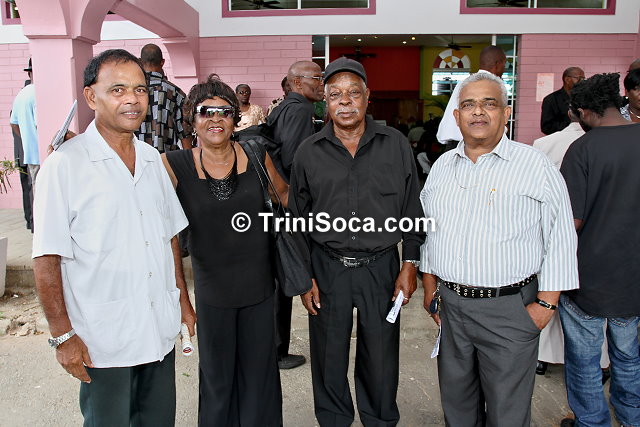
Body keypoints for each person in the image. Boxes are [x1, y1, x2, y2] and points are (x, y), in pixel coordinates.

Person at [31, 49, 194, 426]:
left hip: (157, 325)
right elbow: (46, 257)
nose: (132, 99)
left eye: (139, 90)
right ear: (91, 97)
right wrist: (62, 336)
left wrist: (182, 301)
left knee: (158, 419)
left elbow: (169, 237)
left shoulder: (152, 159)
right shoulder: (65, 165)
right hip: (102, 338)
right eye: (118, 90)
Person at [420, 72, 578, 426]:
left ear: (506, 113)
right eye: (469, 105)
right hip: (452, 308)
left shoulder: (533, 164)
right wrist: (430, 288)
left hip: (510, 309)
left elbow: (561, 235)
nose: (478, 112)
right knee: (458, 406)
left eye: (489, 103)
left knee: (507, 413)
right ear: (457, 116)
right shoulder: (442, 167)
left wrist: (545, 305)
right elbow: (430, 229)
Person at [289, 57, 425, 426]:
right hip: (327, 267)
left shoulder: (395, 145)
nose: (345, 101)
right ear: (325, 102)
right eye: (335, 94)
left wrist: (410, 263)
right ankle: (334, 419)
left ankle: (379, 419)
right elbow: (296, 220)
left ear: (367, 97)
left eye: (353, 93)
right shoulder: (308, 152)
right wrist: (304, 277)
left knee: (380, 355)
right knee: (328, 355)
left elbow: (412, 209)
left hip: (381, 267)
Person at [162, 74, 286, 425]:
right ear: (192, 119)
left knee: (259, 377)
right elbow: (162, 230)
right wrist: (182, 298)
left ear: (236, 118)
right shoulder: (173, 165)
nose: (215, 119)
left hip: (260, 290)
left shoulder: (257, 155)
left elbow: (287, 197)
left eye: (225, 111)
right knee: (218, 380)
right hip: (212, 294)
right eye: (206, 111)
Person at [559, 73, 640, 427]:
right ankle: (632, 418)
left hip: (588, 279)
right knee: (629, 356)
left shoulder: (583, 149)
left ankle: (592, 422)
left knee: (584, 361)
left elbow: (571, 222)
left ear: (584, 111)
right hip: (634, 278)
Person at [267, 60, 324, 370]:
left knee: (279, 276)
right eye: (317, 78)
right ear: (298, 82)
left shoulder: (284, 106)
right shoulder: (301, 109)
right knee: (285, 275)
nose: (322, 84)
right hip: (287, 205)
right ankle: (277, 350)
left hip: (275, 203)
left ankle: (275, 348)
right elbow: (293, 160)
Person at [436, 45, 506, 145]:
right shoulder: (492, 86)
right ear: (498, 64)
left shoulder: (464, 83)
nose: (504, 68)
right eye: (504, 64)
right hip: (474, 145)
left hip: (454, 145)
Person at [135, 43, 189, 152]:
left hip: (136, 156)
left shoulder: (131, 91)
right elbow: (184, 131)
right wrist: (190, 159)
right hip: (167, 158)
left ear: (140, 62)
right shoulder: (176, 93)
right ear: (162, 62)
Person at [10, 58, 39, 229]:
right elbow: (40, 124)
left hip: (30, 155)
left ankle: (36, 228)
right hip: (42, 155)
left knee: (35, 193)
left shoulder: (21, 94)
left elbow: (14, 123)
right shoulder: (38, 93)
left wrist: (28, 139)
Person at [540, 67, 585, 135]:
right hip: (562, 138)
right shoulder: (551, 99)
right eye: (578, 78)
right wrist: (573, 125)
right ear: (567, 79)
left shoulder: (585, 98)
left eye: (583, 78)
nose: (582, 81)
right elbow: (546, 127)